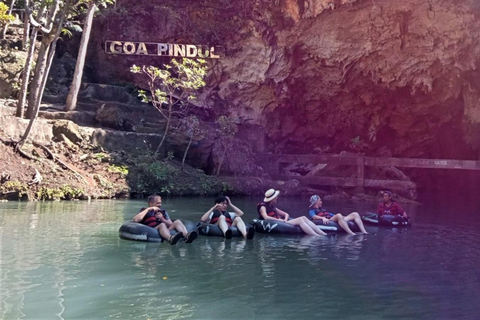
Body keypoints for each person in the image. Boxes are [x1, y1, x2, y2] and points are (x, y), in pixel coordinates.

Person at [257, 189, 327, 236]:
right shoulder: (263, 207)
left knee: (303, 217)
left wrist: (285, 219)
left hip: (281, 221)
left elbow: (286, 214)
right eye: (276, 197)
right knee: (300, 220)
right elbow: (266, 217)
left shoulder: (273, 207)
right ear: (272, 199)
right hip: (277, 222)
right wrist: (280, 220)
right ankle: (316, 235)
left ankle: (322, 233)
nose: (277, 198)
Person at [133, 194, 198, 245]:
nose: (160, 205)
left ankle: (187, 235)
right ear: (151, 204)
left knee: (177, 221)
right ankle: (170, 238)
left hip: (165, 229)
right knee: (162, 225)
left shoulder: (163, 212)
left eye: (160, 203)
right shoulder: (144, 211)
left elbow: (170, 224)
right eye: (157, 203)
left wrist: (162, 219)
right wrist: (148, 209)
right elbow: (136, 220)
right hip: (152, 230)